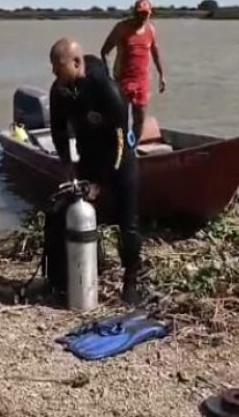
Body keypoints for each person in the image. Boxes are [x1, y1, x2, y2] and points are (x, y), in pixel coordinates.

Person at [47, 37, 144, 305]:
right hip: (88, 159)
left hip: (120, 161)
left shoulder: (106, 89)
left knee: (128, 225)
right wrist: (67, 164)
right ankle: (62, 280)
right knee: (63, 214)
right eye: (52, 66)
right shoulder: (59, 91)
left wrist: (101, 182)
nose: (54, 72)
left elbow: (121, 140)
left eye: (58, 66)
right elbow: (58, 131)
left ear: (76, 63)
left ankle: (131, 282)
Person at [100, 0, 166, 146]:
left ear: (150, 14)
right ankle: (118, 148)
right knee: (119, 118)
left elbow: (155, 52)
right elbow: (105, 51)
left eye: (145, 14)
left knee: (140, 118)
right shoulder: (122, 28)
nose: (142, 17)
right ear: (134, 12)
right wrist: (108, 75)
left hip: (142, 81)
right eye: (139, 13)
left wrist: (162, 75)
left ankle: (132, 148)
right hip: (123, 79)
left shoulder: (151, 30)